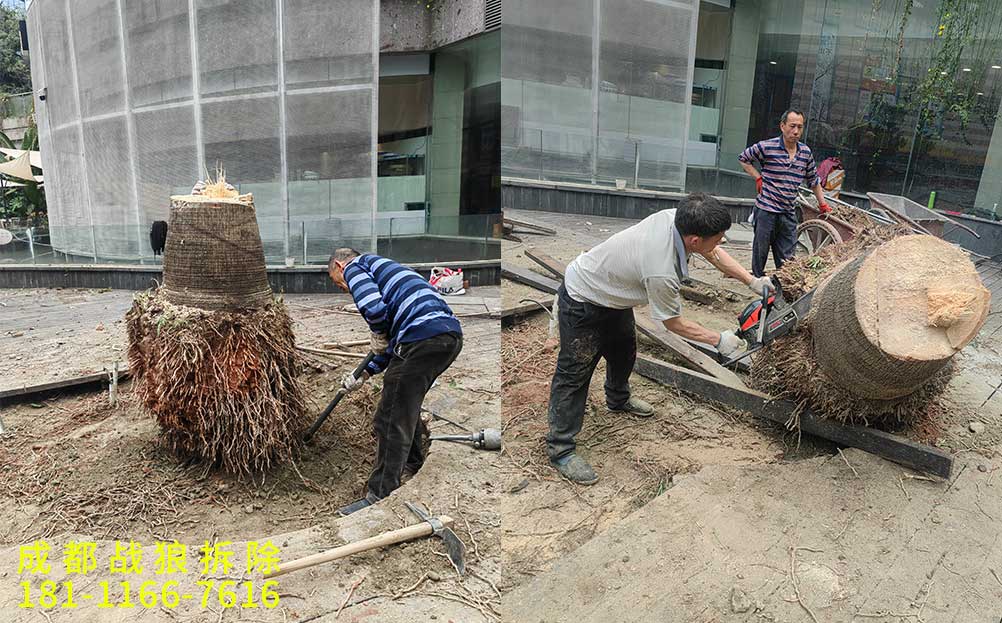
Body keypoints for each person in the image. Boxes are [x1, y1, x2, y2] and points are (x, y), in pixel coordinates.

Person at [547, 193, 773, 484]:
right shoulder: (661, 268)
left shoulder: (676, 219)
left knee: (624, 351)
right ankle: (561, 449)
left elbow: (713, 252)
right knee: (574, 372)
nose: (720, 243)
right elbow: (671, 323)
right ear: (694, 240)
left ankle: (618, 399)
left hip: (613, 295)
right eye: (717, 238)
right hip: (584, 297)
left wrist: (751, 280)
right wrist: (718, 340)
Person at [327, 248, 463, 515]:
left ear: (339, 265)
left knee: (389, 417)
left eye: (338, 283)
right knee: (405, 405)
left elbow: (374, 309)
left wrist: (377, 331)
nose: (344, 289)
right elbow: (392, 347)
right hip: (445, 337)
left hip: (421, 338)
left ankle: (380, 493)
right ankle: (413, 463)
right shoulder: (388, 270)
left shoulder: (355, 266)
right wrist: (363, 374)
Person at [739, 109, 830, 277]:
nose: (796, 131)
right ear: (782, 126)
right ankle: (757, 282)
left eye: (800, 127)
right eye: (792, 126)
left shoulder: (805, 153)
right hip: (766, 210)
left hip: (788, 212)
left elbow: (814, 180)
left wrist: (823, 204)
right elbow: (744, 158)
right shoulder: (767, 146)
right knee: (760, 251)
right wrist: (758, 177)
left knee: (788, 257)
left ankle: (783, 284)